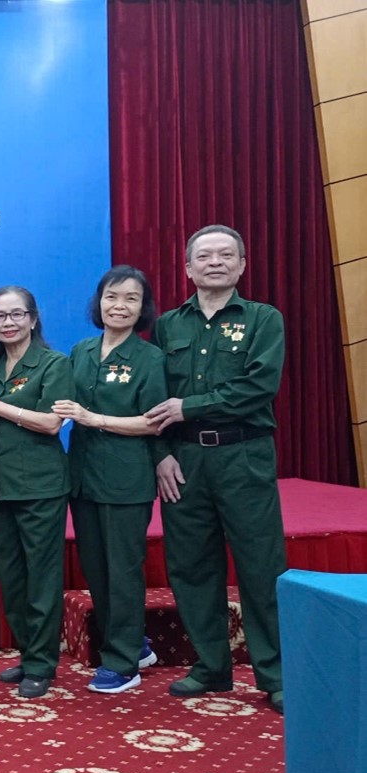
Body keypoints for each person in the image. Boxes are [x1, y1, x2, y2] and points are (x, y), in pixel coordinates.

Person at [144, 224, 287, 714]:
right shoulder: (168, 325)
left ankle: (276, 675)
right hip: (184, 459)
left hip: (243, 455)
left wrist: (191, 407)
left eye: (227, 255)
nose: (216, 262)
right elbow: (154, 395)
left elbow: (259, 386)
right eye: (204, 256)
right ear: (188, 268)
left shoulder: (263, 319)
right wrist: (161, 453)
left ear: (242, 265)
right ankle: (211, 666)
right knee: (191, 565)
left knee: (260, 565)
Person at [52, 267, 166, 694]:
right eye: (111, 297)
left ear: (143, 307)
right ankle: (135, 644)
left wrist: (93, 418)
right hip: (82, 477)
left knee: (123, 569)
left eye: (131, 299)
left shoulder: (149, 358)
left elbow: (153, 422)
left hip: (126, 478)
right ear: (98, 302)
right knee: (96, 568)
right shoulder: (81, 351)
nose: (119, 306)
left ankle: (122, 663)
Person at [0, 286, 71, 698]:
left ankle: (42, 664)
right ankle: (28, 653)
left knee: (41, 578)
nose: (8, 323)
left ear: (33, 318)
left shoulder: (54, 363)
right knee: (12, 577)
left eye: (16, 314)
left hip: (40, 486)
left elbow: (50, 423)